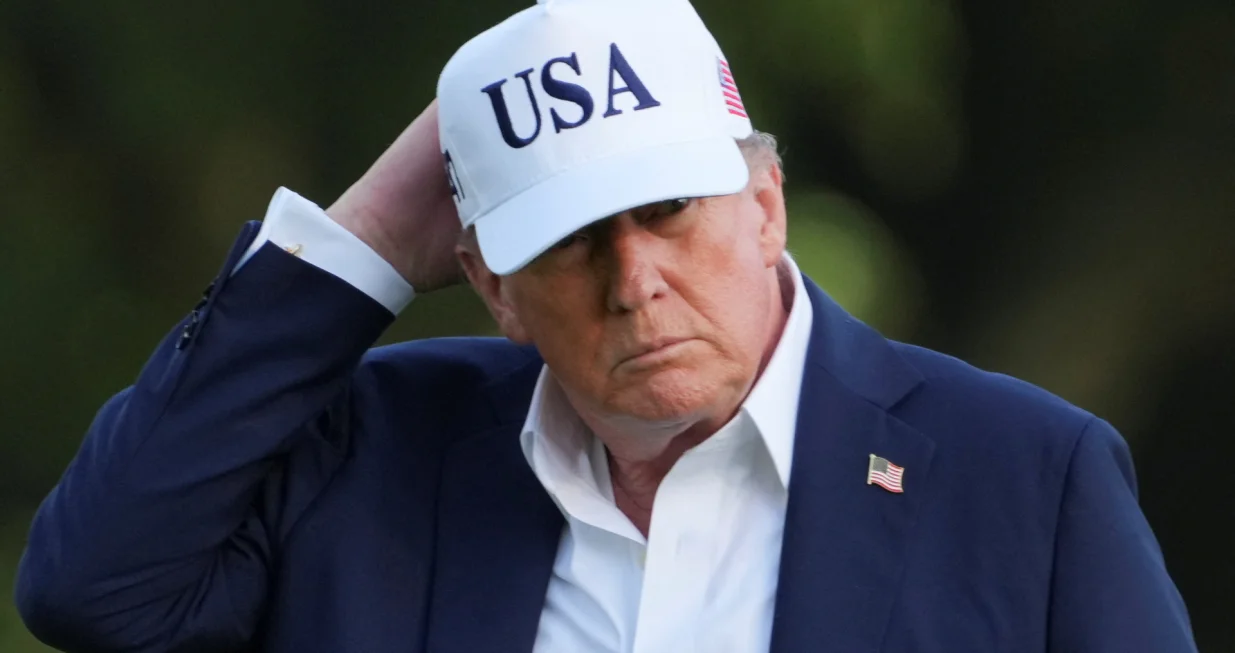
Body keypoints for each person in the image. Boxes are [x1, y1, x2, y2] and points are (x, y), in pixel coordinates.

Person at [15, 0, 1197, 651]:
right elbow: (93, 590)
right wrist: (362, 237)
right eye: (569, 240)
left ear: (765, 203)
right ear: (489, 285)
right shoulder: (368, 457)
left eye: (666, 209)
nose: (632, 279)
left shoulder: (1029, 480)